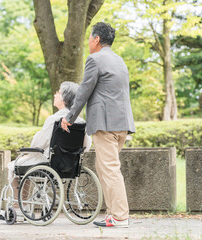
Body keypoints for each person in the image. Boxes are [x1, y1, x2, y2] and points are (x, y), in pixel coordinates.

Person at [61, 22, 135, 228]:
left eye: (89, 38)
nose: (87, 43)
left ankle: (120, 216)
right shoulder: (119, 61)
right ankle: (113, 214)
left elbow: (84, 90)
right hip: (121, 124)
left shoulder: (95, 59)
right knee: (104, 168)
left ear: (96, 39)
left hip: (105, 124)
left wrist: (70, 116)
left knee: (109, 169)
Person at [8, 81, 92, 182]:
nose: (55, 94)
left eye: (58, 92)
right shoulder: (81, 122)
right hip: (70, 165)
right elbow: (86, 146)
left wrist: (29, 153)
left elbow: (38, 143)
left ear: (64, 98)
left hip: (49, 162)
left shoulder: (54, 119)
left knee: (14, 166)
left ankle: (19, 198)